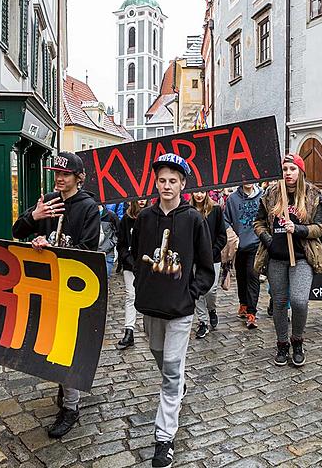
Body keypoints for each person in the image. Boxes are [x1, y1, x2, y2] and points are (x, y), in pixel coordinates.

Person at [131, 153, 214, 468]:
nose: (167, 185)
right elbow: (135, 251)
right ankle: (177, 383)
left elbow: (207, 268)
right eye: (162, 180)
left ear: (182, 184)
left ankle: (164, 439)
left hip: (180, 310)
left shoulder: (194, 219)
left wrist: (190, 293)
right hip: (151, 306)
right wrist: (141, 283)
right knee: (158, 355)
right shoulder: (145, 218)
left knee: (170, 371)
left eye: (173, 180)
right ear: (156, 182)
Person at [12, 152, 100, 438]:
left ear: (79, 177)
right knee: (51, 343)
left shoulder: (88, 207)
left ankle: (71, 407)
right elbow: (17, 231)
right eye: (56, 174)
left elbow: (89, 251)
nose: (59, 178)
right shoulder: (48, 201)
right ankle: (66, 390)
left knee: (66, 347)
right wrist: (34, 218)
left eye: (65, 174)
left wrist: (54, 248)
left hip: (73, 289)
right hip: (46, 285)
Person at [254, 153, 322, 367]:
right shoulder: (271, 194)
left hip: (303, 256)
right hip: (277, 258)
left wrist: (299, 229)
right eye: (285, 169)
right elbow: (258, 223)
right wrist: (269, 241)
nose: (288, 173)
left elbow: (319, 228)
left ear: (300, 171)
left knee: (299, 301)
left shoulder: (313, 195)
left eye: (292, 169)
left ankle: (298, 340)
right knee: (280, 303)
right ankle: (282, 343)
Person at [224, 182, 263, 329]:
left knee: (253, 276)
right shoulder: (232, 199)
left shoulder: (262, 196)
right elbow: (225, 219)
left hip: (256, 244)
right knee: (241, 277)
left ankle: (252, 313)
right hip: (239, 245)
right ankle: (244, 304)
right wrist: (232, 235)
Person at [190, 191, 227, 338]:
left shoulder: (215, 209)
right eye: (196, 192)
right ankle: (202, 321)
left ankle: (211, 309)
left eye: (201, 192)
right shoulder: (189, 211)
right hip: (194, 259)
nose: (198, 195)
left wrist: (213, 251)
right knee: (197, 291)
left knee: (211, 290)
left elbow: (222, 235)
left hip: (213, 257)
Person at [116, 198, 148, 349]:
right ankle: (129, 330)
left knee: (149, 295)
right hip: (130, 264)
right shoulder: (126, 219)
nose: (142, 201)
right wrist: (128, 260)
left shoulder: (151, 216)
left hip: (148, 265)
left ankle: (152, 329)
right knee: (131, 295)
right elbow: (121, 244)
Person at [98, 204, 119, 277]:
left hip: (107, 252)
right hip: (92, 252)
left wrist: (111, 243)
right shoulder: (87, 214)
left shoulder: (111, 215)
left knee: (105, 278)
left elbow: (118, 232)